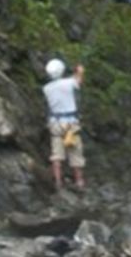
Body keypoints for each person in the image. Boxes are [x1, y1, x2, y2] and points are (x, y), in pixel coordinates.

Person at [42, 58, 85, 190]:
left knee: (57, 153)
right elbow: (78, 82)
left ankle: (58, 182)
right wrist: (80, 71)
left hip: (55, 123)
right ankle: (79, 182)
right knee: (75, 151)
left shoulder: (46, 88)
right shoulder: (69, 83)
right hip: (70, 123)